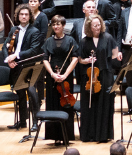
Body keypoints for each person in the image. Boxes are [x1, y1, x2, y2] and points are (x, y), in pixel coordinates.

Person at [78, 13, 120, 143]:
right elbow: (80, 59)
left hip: (105, 74)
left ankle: (103, 135)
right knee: (89, 105)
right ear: (89, 27)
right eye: (94, 26)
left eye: (99, 25)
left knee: (104, 104)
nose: (97, 27)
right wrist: (87, 60)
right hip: (90, 76)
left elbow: (114, 53)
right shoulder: (84, 41)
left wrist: (115, 57)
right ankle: (88, 134)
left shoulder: (108, 37)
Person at [2, 5, 42, 130]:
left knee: (31, 92)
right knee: (20, 93)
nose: (23, 16)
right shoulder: (14, 29)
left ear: (30, 17)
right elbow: (5, 46)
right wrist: (8, 60)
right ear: (18, 16)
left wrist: (16, 55)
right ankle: (23, 121)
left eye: (26, 14)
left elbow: (33, 50)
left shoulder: (34, 31)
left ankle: (35, 121)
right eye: (21, 14)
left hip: (28, 66)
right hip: (15, 66)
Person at [41, 16, 78, 142]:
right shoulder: (48, 41)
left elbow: (75, 59)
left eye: (58, 24)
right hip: (52, 77)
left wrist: (65, 75)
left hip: (66, 76)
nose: (56, 26)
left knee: (66, 104)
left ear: (63, 25)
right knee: (53, 104)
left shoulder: (70, 40)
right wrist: (52, 74)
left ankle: (66, 136)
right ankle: (55, 136)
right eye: (53, 24)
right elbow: (45, 59)